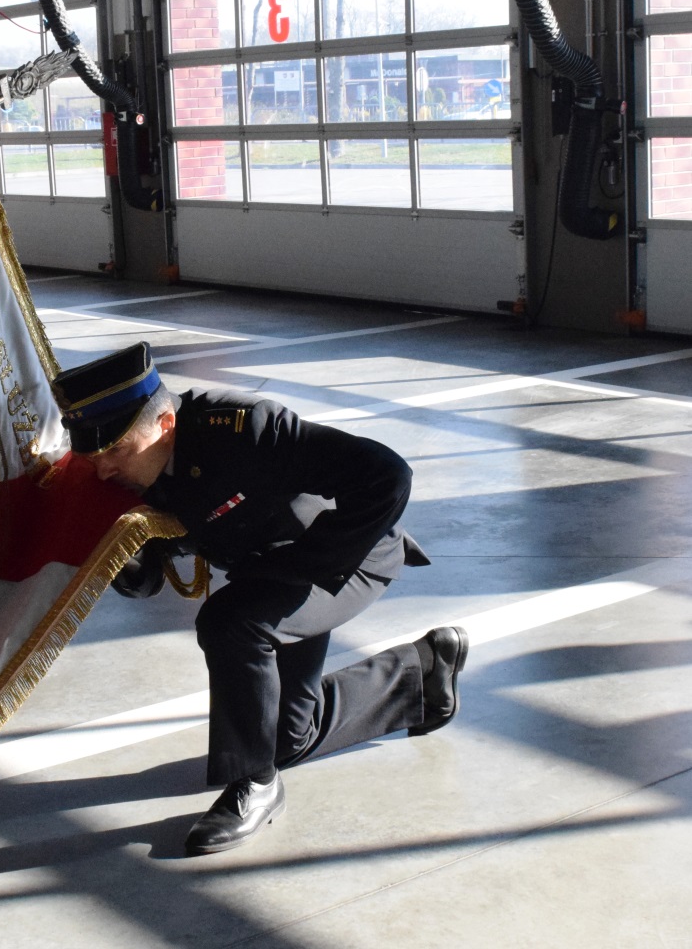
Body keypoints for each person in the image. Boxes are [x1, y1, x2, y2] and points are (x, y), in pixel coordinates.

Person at [51, 341, 466, 856]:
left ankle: (254, 783)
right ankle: (423, 673)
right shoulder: (128, 470)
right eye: (94, 456)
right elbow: (148, 578)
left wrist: (302, 567)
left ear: (165, 424)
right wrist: (113, 551)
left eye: (115, 450)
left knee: (231, 621)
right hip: (267, 574)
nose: (103, 468)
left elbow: (387, 475)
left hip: (343, 560)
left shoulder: (244, 429)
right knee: (286, 738)